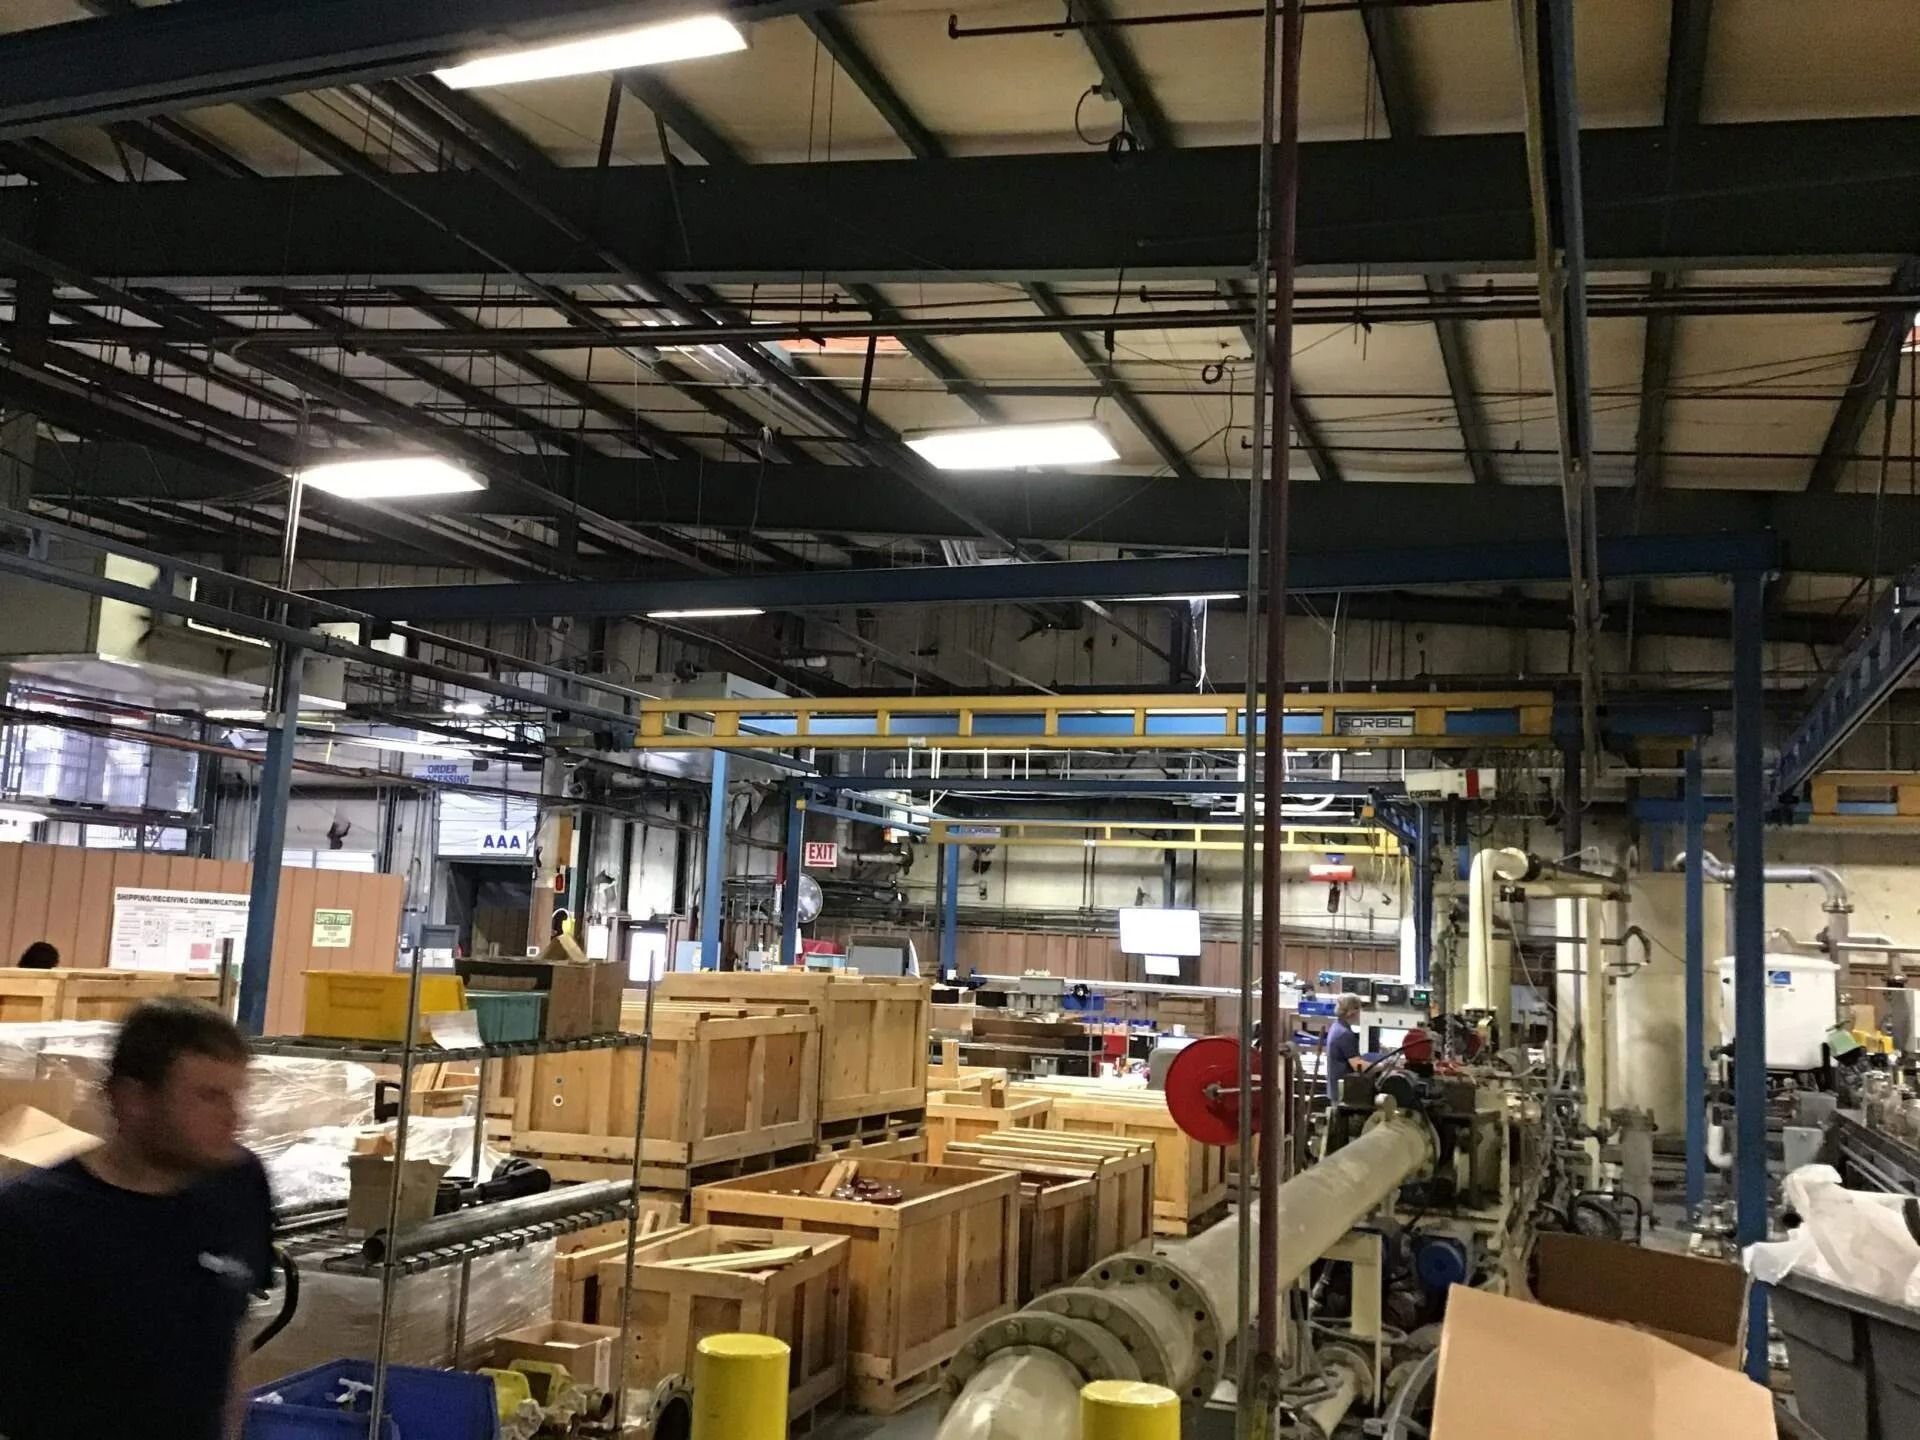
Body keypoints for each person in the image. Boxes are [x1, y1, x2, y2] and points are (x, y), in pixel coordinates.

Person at [0, 998, 273, 1440]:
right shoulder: (34, 1221)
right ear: (134, 1100)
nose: (235, 1118)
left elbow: (232, 1342)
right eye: (209, 1097)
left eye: (236, 1095)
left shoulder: (238, 1185)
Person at [1324, 993, 1373, 1100]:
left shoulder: (1336, 1026)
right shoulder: (1344, 1034)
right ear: (1352, 1012)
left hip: (1337, 1089)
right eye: (1359, 1010)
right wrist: (1382, 1066)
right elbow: (1358, 1066)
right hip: (1343, 1093)